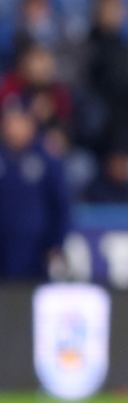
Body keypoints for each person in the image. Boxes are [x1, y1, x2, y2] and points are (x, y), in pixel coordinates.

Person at [0, 98, 71, 279]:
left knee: (29, 299)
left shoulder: (46, 159)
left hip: (35, 250)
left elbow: (61, 205)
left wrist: (56, 243)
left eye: (19, 121)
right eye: (9, 121)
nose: (14, 127)